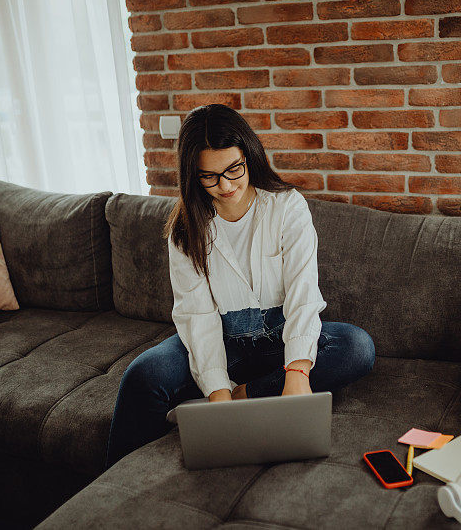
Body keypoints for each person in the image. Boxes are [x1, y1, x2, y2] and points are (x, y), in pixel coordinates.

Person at [104, 104, 376, 470]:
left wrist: (296, 374)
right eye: (210, 177)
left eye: (234, 170)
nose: (227, 186)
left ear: (249, 156)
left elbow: (303, 295)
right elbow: (197, 317)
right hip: (220, 339)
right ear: (192, 175)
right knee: (143, 375)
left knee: (356, 347)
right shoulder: (185, 230)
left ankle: (247, 391)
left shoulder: (286, 207)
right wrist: (217, 399)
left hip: (279, 338)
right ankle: (117, 485)